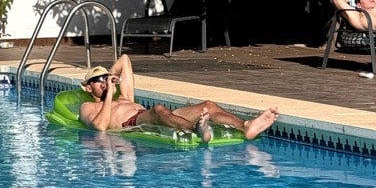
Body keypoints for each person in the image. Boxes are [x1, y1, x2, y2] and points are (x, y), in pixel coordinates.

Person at [78, 53, 278, 142]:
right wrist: (109, 94)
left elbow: (125, 60)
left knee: (207, 105)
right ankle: (196, 129)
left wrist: (110, 76)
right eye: (97, 80)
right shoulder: (88, 107)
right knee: (158, 110)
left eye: (104, 77)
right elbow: (100, 127)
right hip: (132, 123)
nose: (103, 81)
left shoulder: (124, 96)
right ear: (88, 88)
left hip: (154, 115)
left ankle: (246, 126)